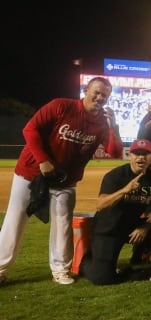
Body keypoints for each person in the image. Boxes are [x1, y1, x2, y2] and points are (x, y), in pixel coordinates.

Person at [0, 76, 123, 286]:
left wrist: (114, 128)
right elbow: (30, 129)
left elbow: (115, 152)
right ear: (86, 90)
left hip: (65, 180)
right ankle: (1, 268)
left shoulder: (103, 123)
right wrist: (43, 161)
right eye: (97, 92)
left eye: (105, 95)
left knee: (63, 223)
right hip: (31, 172)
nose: (100, 97)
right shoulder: (61, 106)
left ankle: (60, 270)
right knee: (16, 219)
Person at [80, 139, 151, 285]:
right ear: (130, 155)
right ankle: (86, 263)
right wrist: (124, 190)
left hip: (133, 226)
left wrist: (145, 227)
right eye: (137, 154)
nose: (141, 158)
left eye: (145, 154)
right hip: (109, 227)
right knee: (102, 278)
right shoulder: (116, 175)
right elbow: (101, 204)